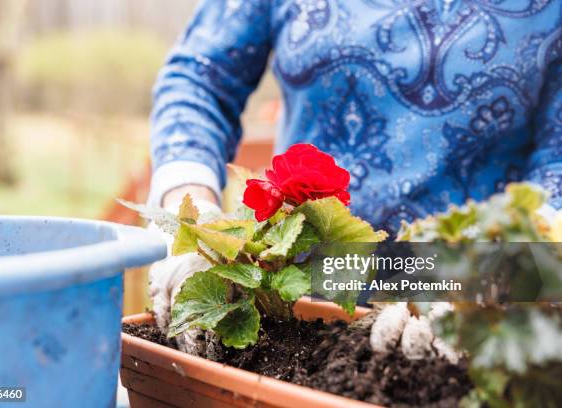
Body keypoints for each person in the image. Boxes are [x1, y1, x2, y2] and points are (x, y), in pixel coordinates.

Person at [147, 0, 561, 355]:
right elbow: (200, 78)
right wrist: (190, 210)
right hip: (288, 299)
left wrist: (498, 279)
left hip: (471, 301)